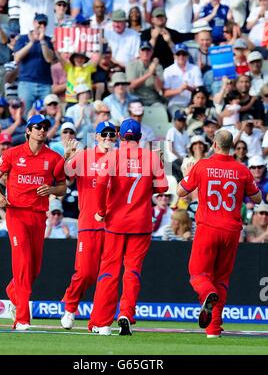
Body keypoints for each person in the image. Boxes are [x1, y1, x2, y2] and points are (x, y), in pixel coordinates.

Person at [177, 129, 262, 338]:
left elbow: (180, 192)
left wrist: (187, 173)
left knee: (198, 274)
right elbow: (258, 199)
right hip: (231, 230)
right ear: (231, 146)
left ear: (214, 144)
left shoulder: (203, 166)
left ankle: (208, 294)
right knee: (222, 278)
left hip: (208, 227)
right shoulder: (242, 170)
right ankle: (213, 329)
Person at [88, 118, 168, 336]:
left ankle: (102, 323)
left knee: (109, 271)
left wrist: (101, 211)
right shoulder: (151, 157)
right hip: (141, 223)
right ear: (140, 136)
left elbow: (100, 183)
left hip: (115, 222)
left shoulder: (112, 156)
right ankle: (126, 313)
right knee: (132, 270)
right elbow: (163, 187)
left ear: (121, 136)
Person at [0, 114, 67, 330]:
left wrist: (51, 189)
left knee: (34, 270)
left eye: (45, 127)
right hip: (16, 214)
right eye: (37, 127)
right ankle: (22, 318)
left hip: (38, 216)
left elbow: (63, 187)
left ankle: (13, 293)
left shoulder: (53, 158)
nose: (42, 130)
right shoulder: (13, 153)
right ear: (28, 131)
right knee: (22, 264)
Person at [60, 120, 117, 331]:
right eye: (104, 134)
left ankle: (98, 321)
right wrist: (66, 157)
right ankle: (70, 307)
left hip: (113, 226)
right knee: (85, 272)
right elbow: (65, 180)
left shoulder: (120, 159)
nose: (108, 138)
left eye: (112, 134)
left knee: (107, 277)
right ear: (96, 136)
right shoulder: (84, 156)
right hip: (89, 223)